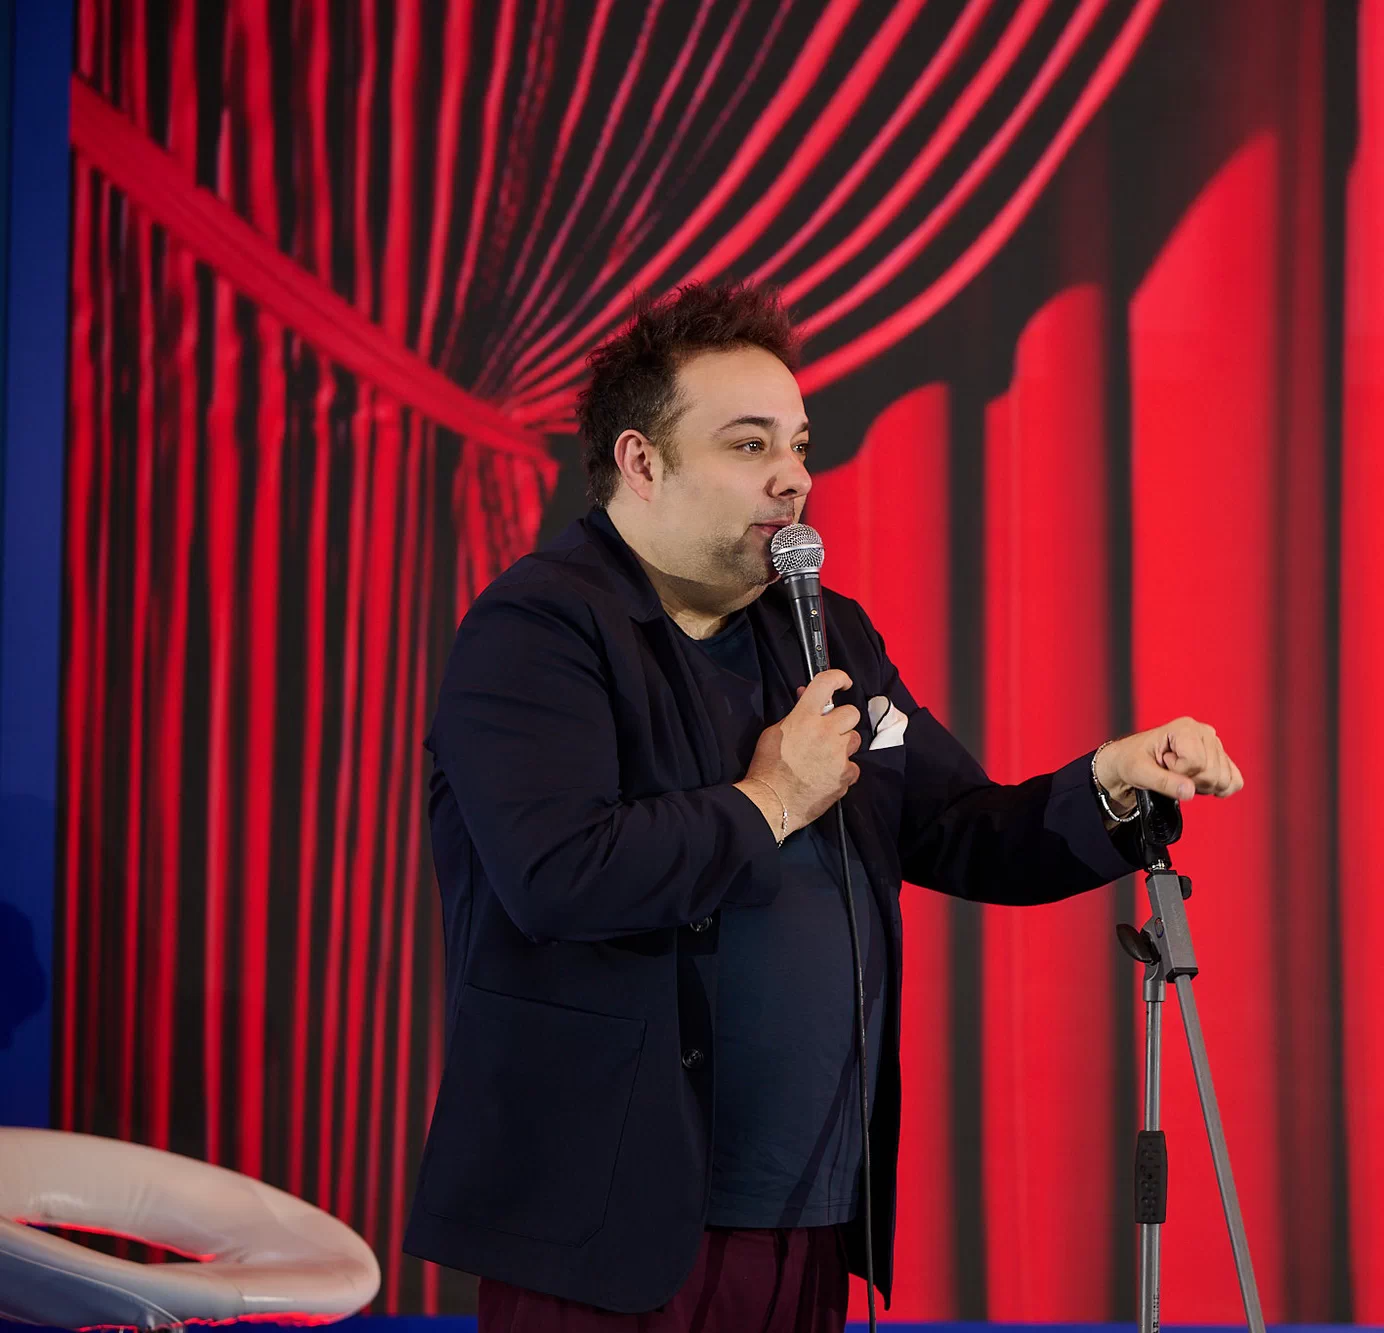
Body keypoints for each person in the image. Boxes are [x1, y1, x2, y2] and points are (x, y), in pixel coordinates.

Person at [402, 280, 1244, 1332]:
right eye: (750, 445)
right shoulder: (538, 629)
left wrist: (1110, 779)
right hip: (608, 1227)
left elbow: (961, 829)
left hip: (806, 1211)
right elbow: (559, 875)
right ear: (641, 461)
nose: (793, 476)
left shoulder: (824, 632)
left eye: (799, 445)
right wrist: (769, 799)